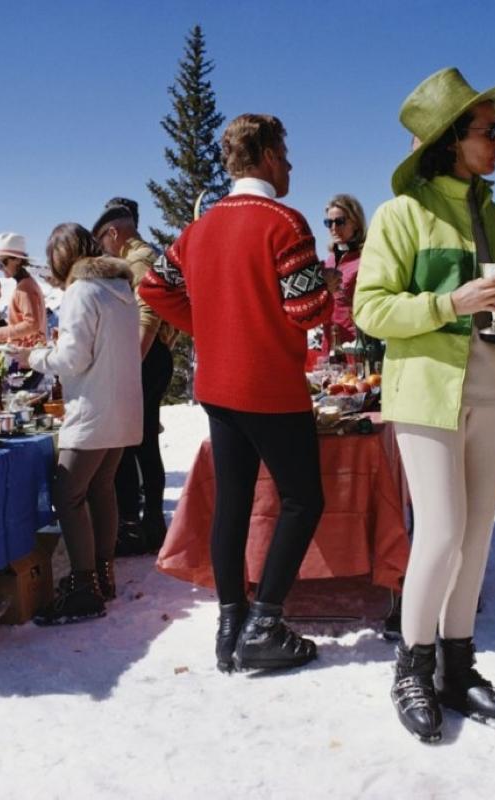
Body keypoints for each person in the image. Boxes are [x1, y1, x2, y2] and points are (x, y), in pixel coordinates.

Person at [353, 68, 495, 742]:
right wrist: (449, 303)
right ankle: (413, 665)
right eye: (489, 132)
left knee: (478, 534)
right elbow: (369, 308)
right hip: (429, 393)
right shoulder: (402, 215)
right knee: (440, 530)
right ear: (451, 140)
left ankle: (457, 666)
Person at [141, 113, 334, 673]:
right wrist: (320, 291)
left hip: (217, 385)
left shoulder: (197, 229)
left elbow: (154, 286)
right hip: (270, 383)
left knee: (234, 498)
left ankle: (232, 621)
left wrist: (210, 324)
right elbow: (307, 311)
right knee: (304, 499)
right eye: (287, 153)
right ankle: (264, 623)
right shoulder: (285, 222)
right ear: (270, 154)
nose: (292, 165)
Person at [29, 224, 142, 624]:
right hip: (123, 409)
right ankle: (102, 576)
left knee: (68, 492)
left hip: (93, 410)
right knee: (100, 488)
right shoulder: (121, 289)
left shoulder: (82, 290)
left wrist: (36, 357)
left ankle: (84, 586)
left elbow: (72, 360)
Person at [92, 199, 176, 556]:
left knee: (131, 445)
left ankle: (140, 526)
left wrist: (129, 366)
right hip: (149, 357)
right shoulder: (144, 254)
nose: (102, 249)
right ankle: (150, 524)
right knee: (142, 444)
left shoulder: (138, 258)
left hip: (144, 356)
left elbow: (148, 314)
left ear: (113, 233)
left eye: (102, 241)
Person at [319, 193, 367, 357]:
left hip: (356, 348)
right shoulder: (328, 261)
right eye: (328, 222)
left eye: (339, 221)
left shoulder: (367, 259)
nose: (333, 227)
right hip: (329, 347)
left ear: (355, 223)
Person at [0, 233, 48, 350]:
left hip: (27, 357)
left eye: (2, 263)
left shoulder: (25, 288)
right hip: (31, 354)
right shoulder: (28, 283)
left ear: (17, 260)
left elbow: (32, 324)